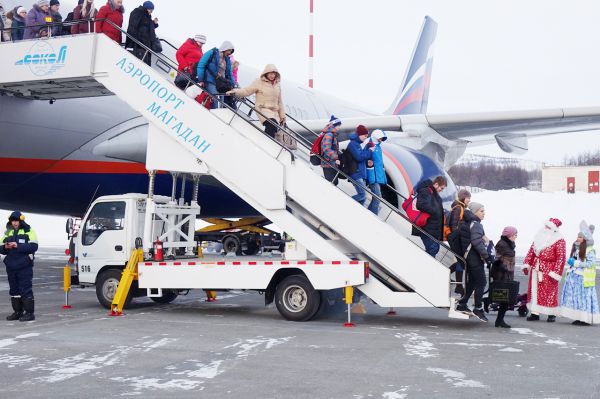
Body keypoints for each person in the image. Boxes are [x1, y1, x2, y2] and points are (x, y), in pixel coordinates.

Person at [522, 218, 567, 322]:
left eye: (548, 227)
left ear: (553, 229)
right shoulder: (538, 238)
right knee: (535, 290)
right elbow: (531, 252)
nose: (546, 228)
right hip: (536, 269)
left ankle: (551, 314)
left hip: (549, 270)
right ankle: (535, 313)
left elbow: (561, 258)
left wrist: (556, 272)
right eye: (546, 226)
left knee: (550, 292)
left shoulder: (559, 240)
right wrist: (526, 264)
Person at [455, 202, 492, 322]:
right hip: (474, 257)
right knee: (481, 282)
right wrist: (487, 257)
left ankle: (462, 304)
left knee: (472, 282)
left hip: (468, 256)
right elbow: (476, 242)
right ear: (474, 212)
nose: (484, 213)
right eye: (481, 211)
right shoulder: (476, 224)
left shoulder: (467, 222)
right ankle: (478, 308)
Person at [227, 64, 286, 138]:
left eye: (274, 74)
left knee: (273, 128)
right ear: (266, 73)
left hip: (274, 112)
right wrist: (234, 92)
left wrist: (282, 116)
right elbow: (246, 91)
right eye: (270, 73)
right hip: (263, 108)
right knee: (272, 124)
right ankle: (267, 142)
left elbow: (280, 102)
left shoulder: (277, 85)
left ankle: (267, 143)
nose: (272, 76)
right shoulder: (258, 82)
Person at [0, 212, 38, 322]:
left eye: (16, 221)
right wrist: (6, 247)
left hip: (24, 265)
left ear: (21, 220)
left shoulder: (29, 230)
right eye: (13, 221)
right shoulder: (8, 231)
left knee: (25, 289)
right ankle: (17, 312)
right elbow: (1, 247)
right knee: (14, 290)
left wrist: (18, 245)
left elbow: (34, 246)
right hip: (11, 265)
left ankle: (29, 313)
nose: (15, 223)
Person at [560, 230, 599, 325]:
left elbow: (591, 264)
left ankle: (585, 319)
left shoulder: (590, 250)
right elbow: (576, 260)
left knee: (584, 299)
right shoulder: (576, 248)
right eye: (578, 236)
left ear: (585, 239)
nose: (578, 238)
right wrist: (571, 261)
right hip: (575, 276)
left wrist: (576, 263)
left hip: (584, 278)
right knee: (576, 298)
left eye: (581, 237)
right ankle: (578, 317)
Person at [412, 176, 446, 257]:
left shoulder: (434, 195)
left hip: (431, 229)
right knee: (432, 248)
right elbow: (421, 205)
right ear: (436, 184)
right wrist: (436, 211)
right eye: (441, 188)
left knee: (435, 248)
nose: (441, 190)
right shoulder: (426, 191)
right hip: (425, 226)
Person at [492, 226, 518, 328]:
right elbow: (496, 258)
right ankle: (499, 321)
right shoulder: (502, 244)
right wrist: (503, 267)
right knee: (504, 299)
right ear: (509, 235)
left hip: (507, 274)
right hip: (502, 274)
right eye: (515, 235)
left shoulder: (508, 244)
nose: (516, 237)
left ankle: (499, 320)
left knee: (505, 299)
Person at [196, 41, 235, 109]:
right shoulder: (212, 52)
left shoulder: (227, 60)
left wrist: (232, 84)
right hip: (210, 80)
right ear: (225, 48)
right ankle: (213, 115)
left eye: (231, 51)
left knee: (221, 103)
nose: (229, 53)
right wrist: (200, 79)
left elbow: (229, 73)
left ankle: (216, 115)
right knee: (215, 98)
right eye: (229, 50)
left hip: (221, 84)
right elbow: (201, 64)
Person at [448, 189, 471, 296]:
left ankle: (459, 286)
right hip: (455, 238)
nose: (469, 200)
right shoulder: (458, 208)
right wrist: (457, 236)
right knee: (461, 261)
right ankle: (458, 285)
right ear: (463, 197)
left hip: (456, 237)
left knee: (460, 261)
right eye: (468, 198)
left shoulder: (459, 207)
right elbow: (454, 224)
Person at [346, 125, 373, 205]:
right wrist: (370, 151)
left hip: (359, 173)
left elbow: (361, 157)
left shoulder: (357, 144)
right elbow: (359, 157)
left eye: (367, 136)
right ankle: (345, 203)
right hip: (356, 173)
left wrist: (368, 148)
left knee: (363, 198)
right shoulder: (353, 144)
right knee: (363, 195)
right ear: (360, 134)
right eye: (365, 135)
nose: (366, 137)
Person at [126, 1, 158, 66]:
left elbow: (146, 28)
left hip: (145, 45)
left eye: (152, 10)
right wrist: (132, 42)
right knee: (140, 64)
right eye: (150, 9)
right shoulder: (138, 12)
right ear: (146, 8)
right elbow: (132, 28)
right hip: (139, 45)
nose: (151, 11)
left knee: (145, 65)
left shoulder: (147, 16)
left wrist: (154, 23)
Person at [366, 129, 387, 215]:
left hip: (376, 176)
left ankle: (368, 214)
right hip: (372, 175)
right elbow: (368, 161)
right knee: (377, 198)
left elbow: (379, 164)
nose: (381, 139)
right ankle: (373, 216)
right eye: (380, 138)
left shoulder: (378, 147)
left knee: (376, 198)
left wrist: (383, 178)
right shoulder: (370, 145)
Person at [320, 115, 342, 185]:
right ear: (334, 125)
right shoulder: (329, 135)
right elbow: (326, 148)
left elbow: (333, 148)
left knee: (334, 183)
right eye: (338, 125)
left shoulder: (332, 135)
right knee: (332, 184)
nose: (339, 127)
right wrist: (336, 158)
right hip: (328, 164)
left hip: (331, 163)